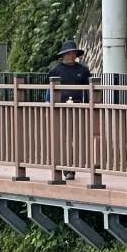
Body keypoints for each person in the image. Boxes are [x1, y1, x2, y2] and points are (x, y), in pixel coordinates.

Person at [47, 39, 91, 180]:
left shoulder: (83, 70)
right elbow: (49, 90)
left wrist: (89, 105)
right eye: (68, 53)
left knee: (78, 139)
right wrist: (48, 103)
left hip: (78, 108)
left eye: (73, 53)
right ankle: (66, 168)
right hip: (60, 108)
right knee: (63, 139)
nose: (71, 56)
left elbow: (89, 91)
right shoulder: (55, 70)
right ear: (63, 55)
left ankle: (74, 167)